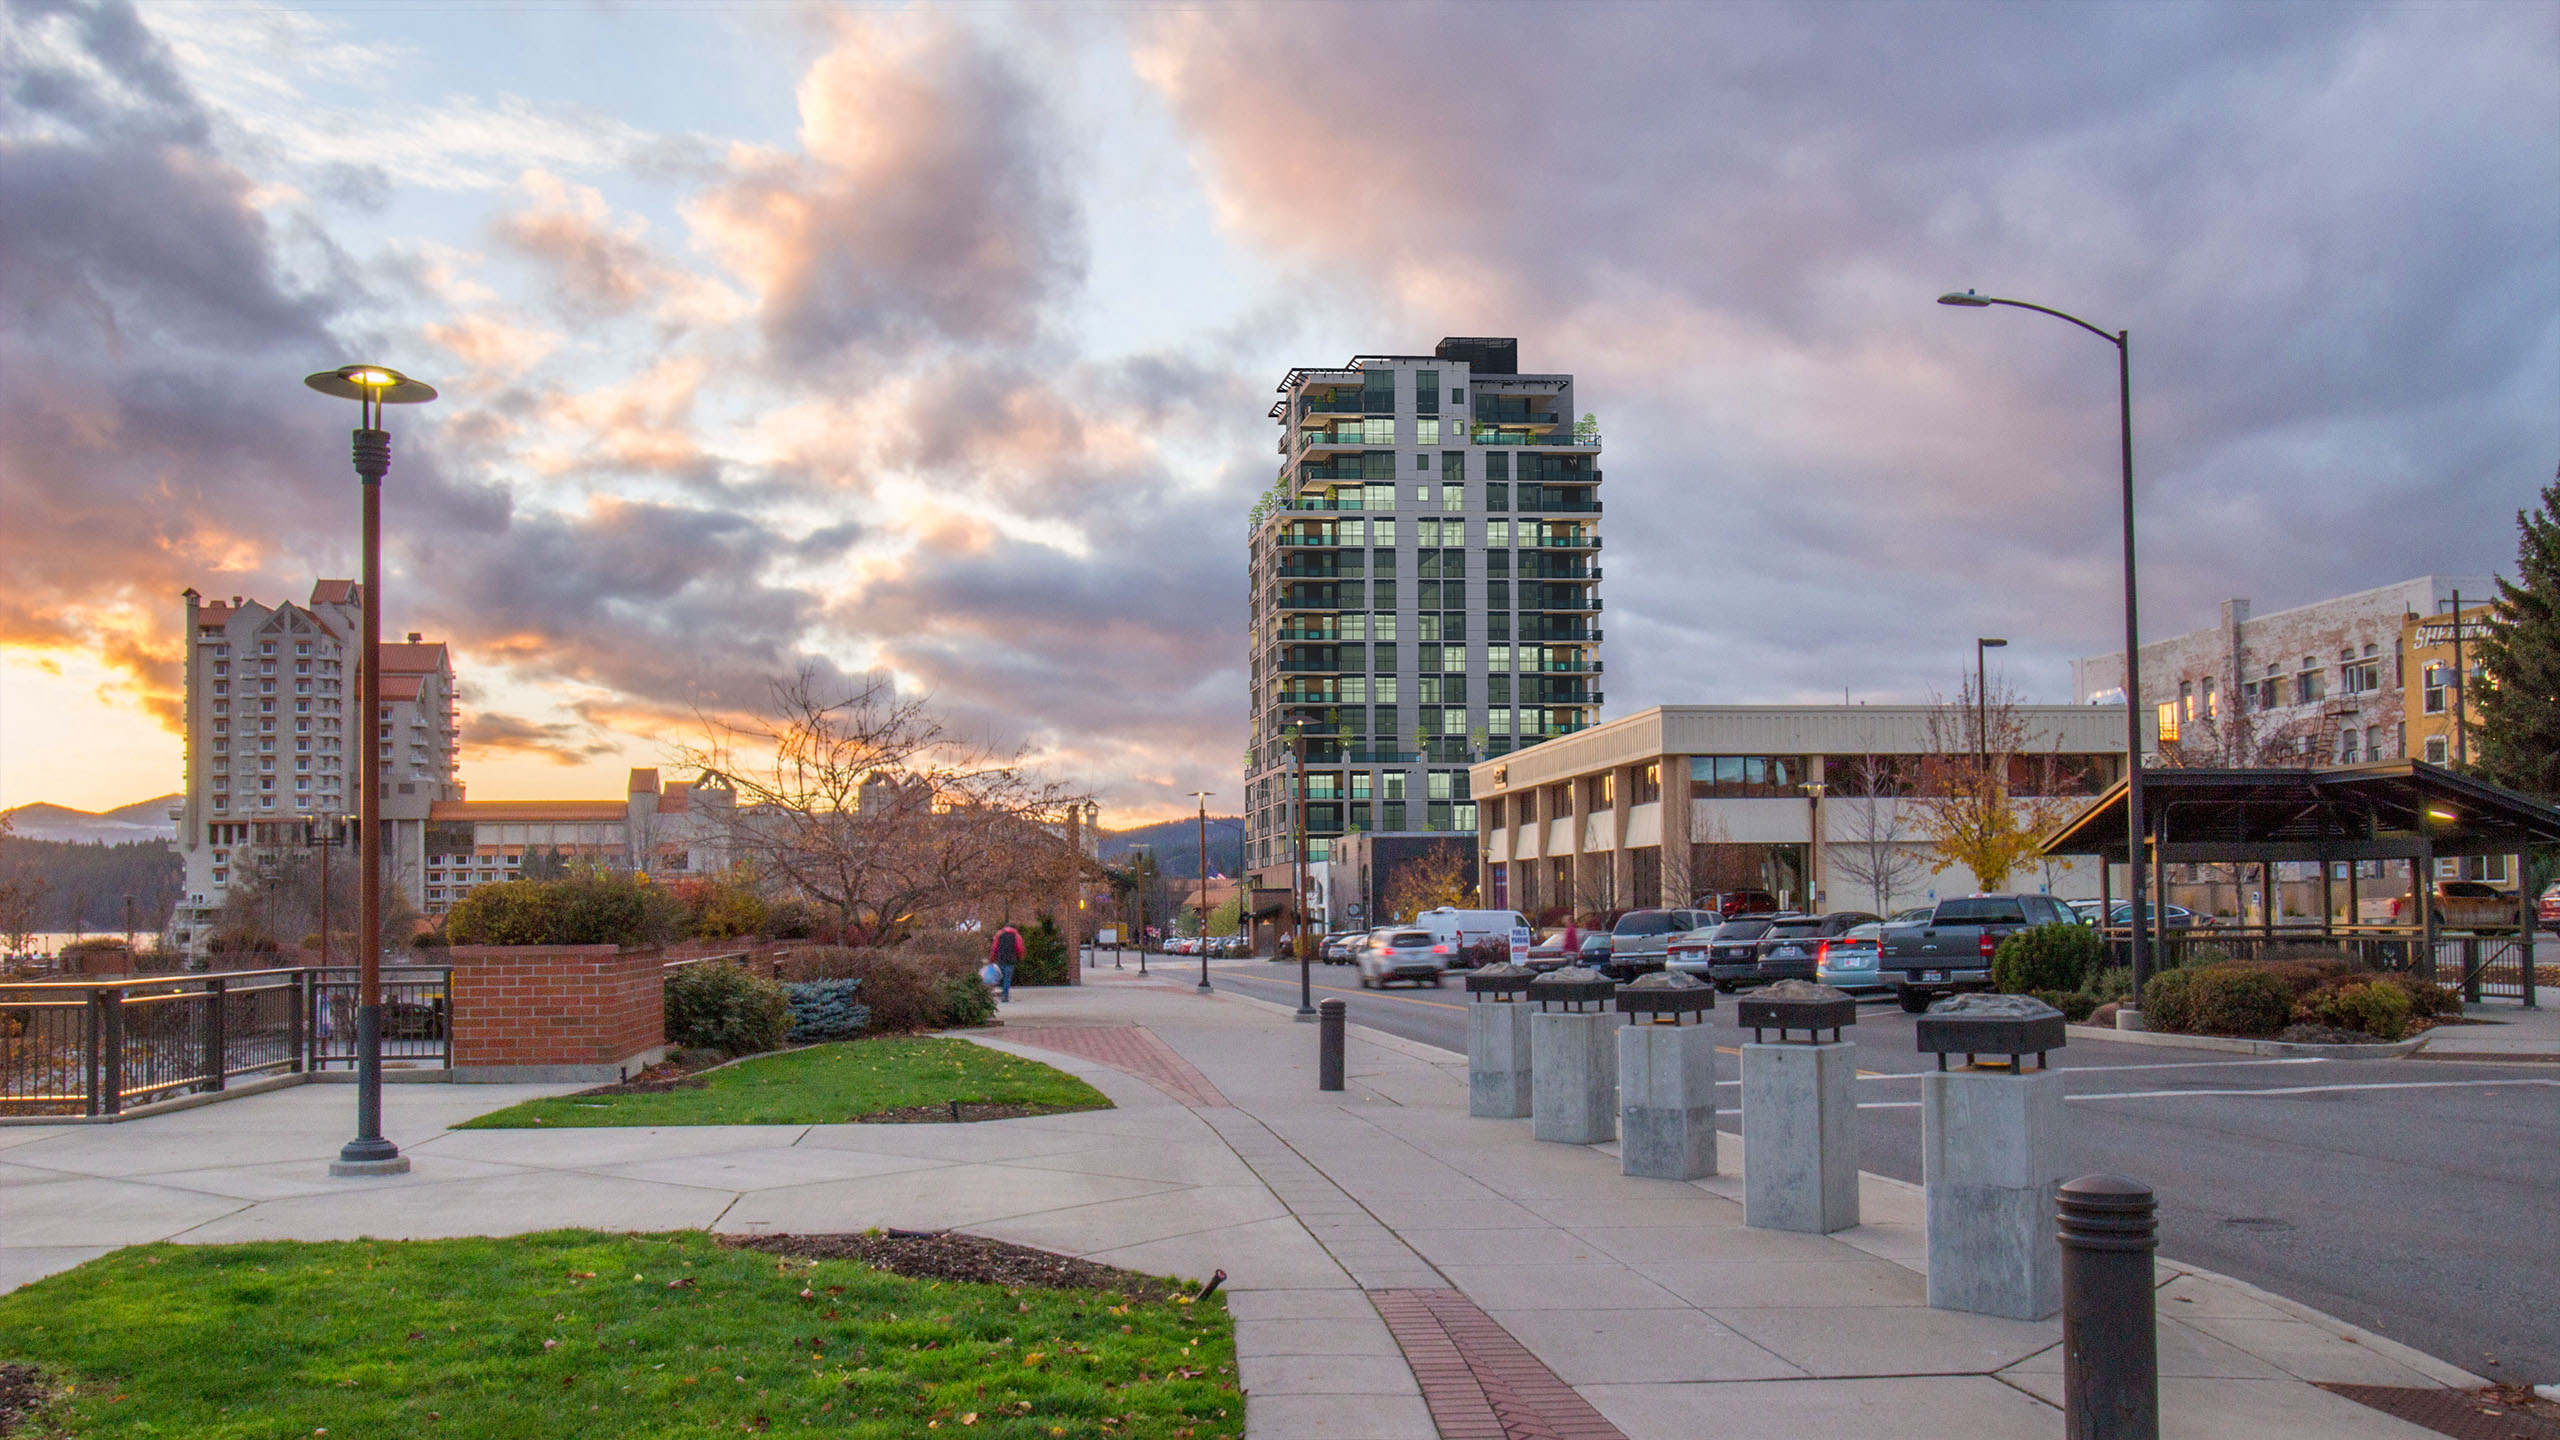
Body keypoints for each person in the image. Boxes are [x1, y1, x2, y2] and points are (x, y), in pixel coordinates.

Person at [989, 923, 1024, 1003]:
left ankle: (1000, 993)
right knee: (1007, 978)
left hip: (1000, 958)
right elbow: (1019, 948)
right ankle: (1005, 995)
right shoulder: (1016, 935)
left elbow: (994, 947)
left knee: (999, 977)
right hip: (1011, 959)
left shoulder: (998, 935)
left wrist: (992, 958)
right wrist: (1020, 956)